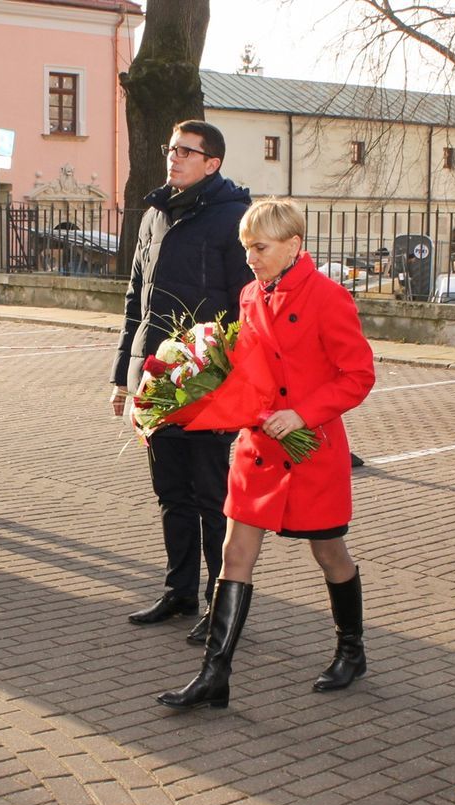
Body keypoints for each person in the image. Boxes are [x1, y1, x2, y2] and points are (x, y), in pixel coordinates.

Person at [157, 197, 376, 710]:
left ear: (294, 245)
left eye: (260, 247)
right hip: (258, 447)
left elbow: (359, 375)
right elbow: (252, 368)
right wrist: (203, 390)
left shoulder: (329, 297)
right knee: (235, 555)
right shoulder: (250, 294)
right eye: (246, 247)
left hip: (310, 449)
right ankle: (214, 673)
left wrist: (302, 414)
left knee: (329, 553)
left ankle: (352, 647)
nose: (250, 256)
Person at [110, 120, 252, 644]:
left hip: (206, 376)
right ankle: (180, 591)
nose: (173, 158)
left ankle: (222, 603)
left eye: (186, 152)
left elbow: (246, 307)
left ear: (212, 163)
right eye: (172, 149)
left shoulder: (233, 219)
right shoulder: (154, 214)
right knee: (170, 491)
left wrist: (227, 374)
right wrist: (123, 377)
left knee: (211, 493)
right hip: (156, 375)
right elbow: (136, 302)